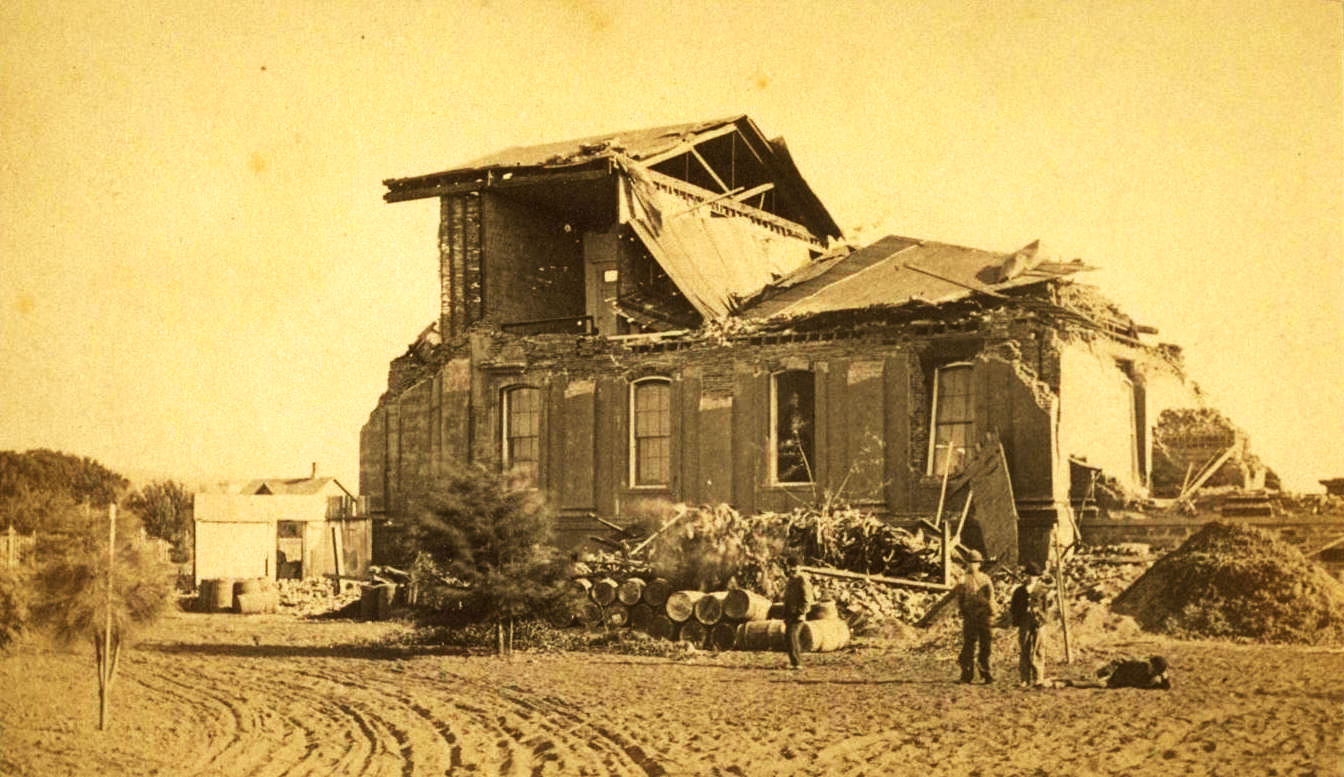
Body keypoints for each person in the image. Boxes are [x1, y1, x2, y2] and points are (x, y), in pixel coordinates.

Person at [954, 549, 995, 683]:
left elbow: (991, 596)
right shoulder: (963, 579)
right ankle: (966, 674)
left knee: (986, 645)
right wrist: (963, 610)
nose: (973, 565)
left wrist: (992, 611)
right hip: (970, 616)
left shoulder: (985, 578)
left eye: (975, 563)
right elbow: (959, 598)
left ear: (980, 564)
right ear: (967, 564)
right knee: (968, 645)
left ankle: (985, 673)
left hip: (983, 615)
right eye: (970, 563)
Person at [1010, 562, 1050, 687]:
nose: (1031, 578)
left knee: (1039, 649)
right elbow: (1014, 608)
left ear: (1038, 577)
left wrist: (1040, 617)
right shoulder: (1019, 591)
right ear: (1025, 575)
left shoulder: (1042, 590)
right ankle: (1024, 678)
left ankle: (1039, 678)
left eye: (1034, 576)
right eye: (1029, 575)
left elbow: (1046, 608)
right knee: (1024, 649)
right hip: (1024, 621)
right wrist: (1018, 618)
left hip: (1038, 622)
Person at [781, 555, 814, 670]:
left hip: (797, 614)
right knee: (789, 637)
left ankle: (797, 663)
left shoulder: (802, 580)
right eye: (791, 567)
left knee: (792, 637)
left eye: (795, 567)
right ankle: (795, 662)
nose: (792, 569)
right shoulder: (791, 580)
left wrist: (801, 611)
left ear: (799, 567)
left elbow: (807, 598)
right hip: (790, 613)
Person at [1097, 655, 1172, 690]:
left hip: (1125, 682)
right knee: (1101, 684)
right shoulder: (1138, 662)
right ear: (1150, 664)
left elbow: (1166, 687)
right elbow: (1117, 661)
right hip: (1117, 675)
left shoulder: (1156, 677)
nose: (1153, 672)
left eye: (1156, 672)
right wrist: (1109, 674)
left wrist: (1165, 677)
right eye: (1153, 670)